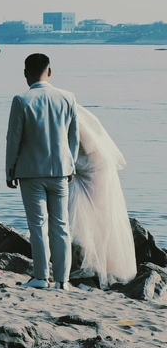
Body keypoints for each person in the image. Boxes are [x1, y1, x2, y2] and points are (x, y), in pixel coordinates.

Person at [6, 53, 79, 290]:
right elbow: (74, 137)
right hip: (60, 171)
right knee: (61, 226)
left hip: (31, 172)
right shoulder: (68, 97)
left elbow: (13, 139)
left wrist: (10, 170)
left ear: (25, 73)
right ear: (50, 71)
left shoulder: (21, 100)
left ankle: (40, 277)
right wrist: (71, 165)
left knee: (38, 226)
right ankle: (62, 281)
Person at [68, 105, 137, 288]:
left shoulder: (75, 122)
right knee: (92, 216)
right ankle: (91, 262)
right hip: (91, 171)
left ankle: (94, 264)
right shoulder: (78, 118)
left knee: (90, 217)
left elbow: (89, 149)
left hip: (93, 171)